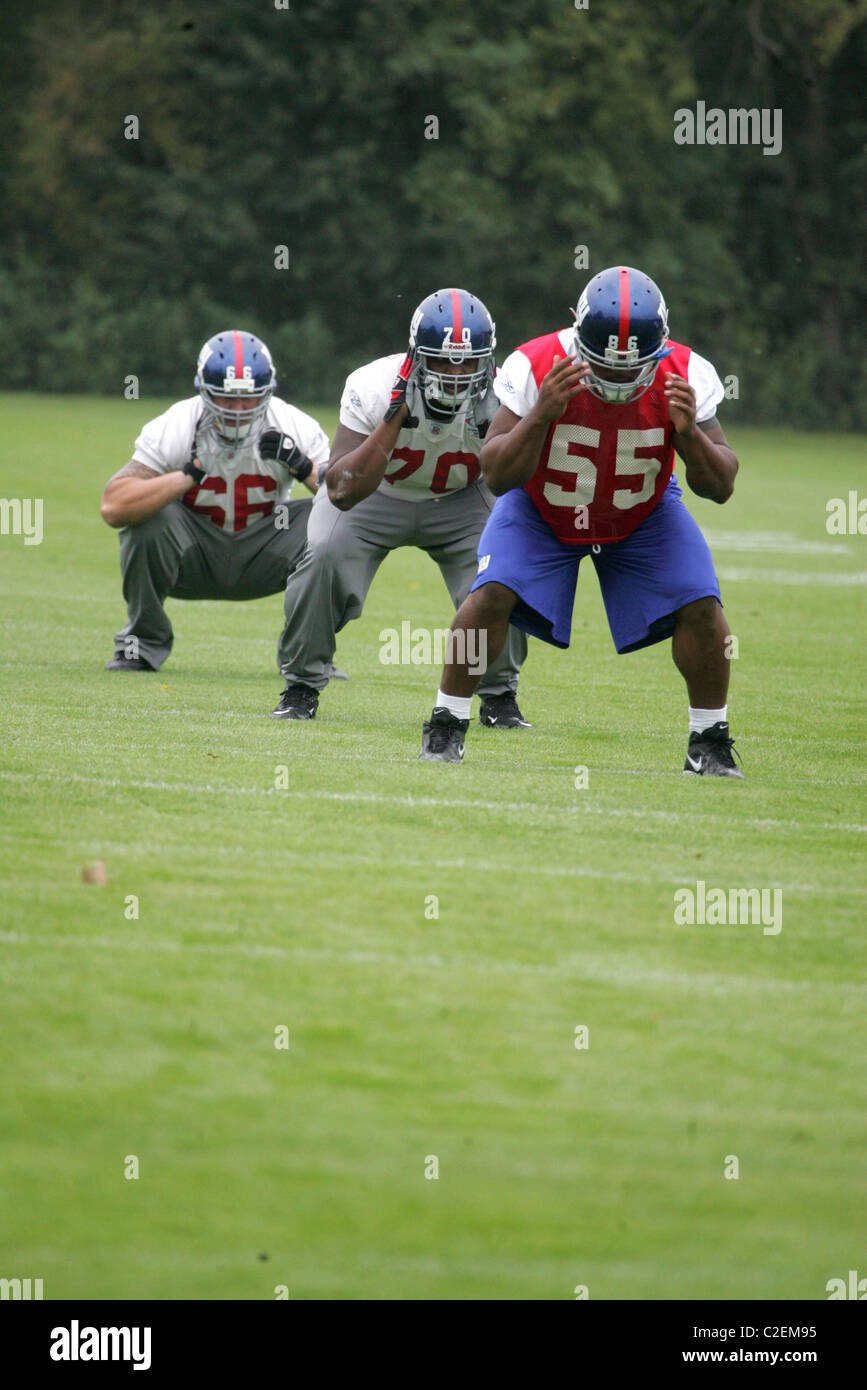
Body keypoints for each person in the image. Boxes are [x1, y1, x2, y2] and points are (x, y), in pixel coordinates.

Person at [419, 265, 744, 777]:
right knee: (490, 595)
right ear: (577, 335)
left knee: (703, 605)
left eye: (628, 368)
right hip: (542, 505)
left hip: (642, 509)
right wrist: (541, 414)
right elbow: (498, 474)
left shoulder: (685, 371)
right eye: (604, 366)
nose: (616, 378)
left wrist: (690, 437)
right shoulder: (535, 363)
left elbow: (721, 486)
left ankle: (709, 740)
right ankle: (446, 723)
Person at [271, 288, 529, 725]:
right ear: (416, 355)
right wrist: (395, 416)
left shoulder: (504, 394)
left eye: (468, 360)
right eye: (443, 359)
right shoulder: (372, 384)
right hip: (378, 495)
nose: (456, 372)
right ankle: (301, 685)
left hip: (463, 498)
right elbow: (341, 489)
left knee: (504, 568)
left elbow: (511, 476)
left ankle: (498, 694)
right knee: (323, 554)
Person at [100, 330, 333, 674]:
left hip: (265, 548)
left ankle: (309, 656)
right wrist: (186, 476)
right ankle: (142, 643)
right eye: (226, 399)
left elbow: (349, 501)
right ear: (204, 392)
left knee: (330, 525)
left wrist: (301, 465)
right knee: (149, 518)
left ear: (267, 394)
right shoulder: (177, 424)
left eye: (249, 399)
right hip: (192, 551)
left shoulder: (293, 424)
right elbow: (113, 506)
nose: (238, 410)